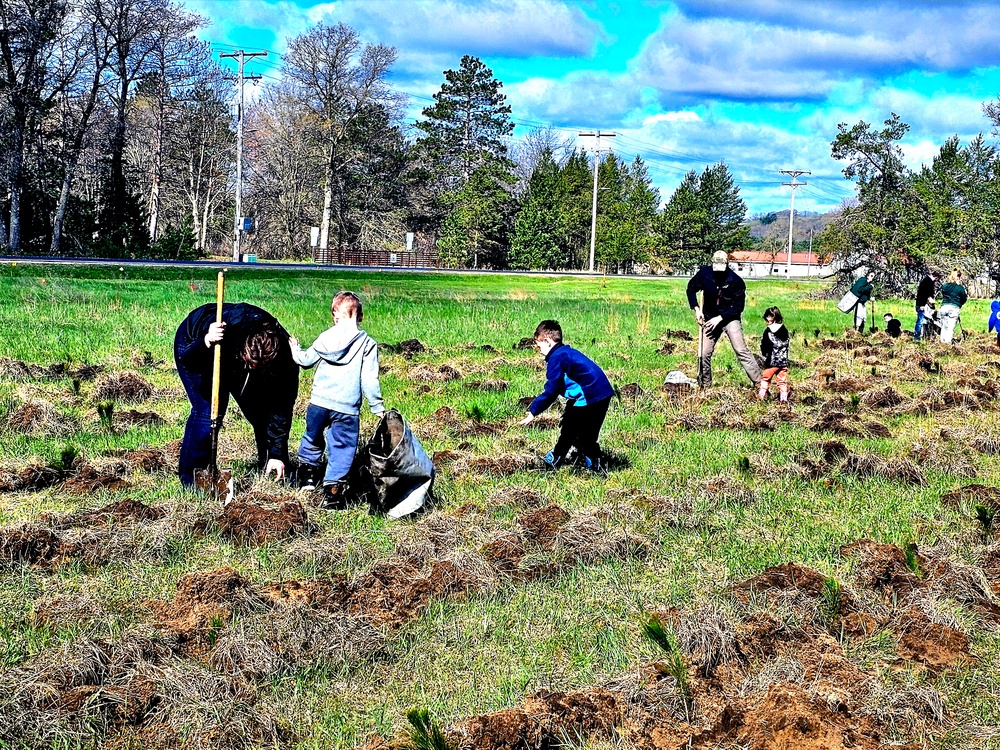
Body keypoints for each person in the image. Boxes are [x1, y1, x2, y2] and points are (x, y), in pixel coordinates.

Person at [174, 303, 298, 488]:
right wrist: (207, 340)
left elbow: (282, 405)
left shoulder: (285, 355)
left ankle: (270, 466)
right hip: (197, 344)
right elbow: (189, 361)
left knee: (262, 411)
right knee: (208, 413)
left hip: (241, 358)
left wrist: (277, 454)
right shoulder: (223, 331)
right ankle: (192, 478)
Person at [290, 291, 384, 505]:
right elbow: (369, 379)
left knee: (312, 437)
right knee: (342, 446)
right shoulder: (367, 344)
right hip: (347, 408)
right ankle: (333, 491)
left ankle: (307, 476)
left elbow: (305, 361)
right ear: (360, 316)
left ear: (335, 316)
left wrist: (295, 351)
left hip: (319, 403)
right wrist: (377, 406)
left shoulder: (325, 337)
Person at [518, 320, 614, 471]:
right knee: (578, 431)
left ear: (548, 341)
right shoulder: (565, 353)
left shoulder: (556, 357)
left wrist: (533, 411)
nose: (539, 351)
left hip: (590, 395)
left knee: (579, 434)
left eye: (539, 346)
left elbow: (552, 389)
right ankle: (568, 460)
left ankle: (590, 465)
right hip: (599, 393)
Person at [686, 250, 762, 389]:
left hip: (729, 318)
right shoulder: (704, 274)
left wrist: (720, 318)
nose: (719, 272)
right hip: (709, 318)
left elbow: (738, 307)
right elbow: (691, 289)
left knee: (741, 350)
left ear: (727, 263)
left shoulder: (736, 281)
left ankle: (760, 384)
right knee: (704, 353)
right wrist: (697, 309)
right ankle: (705, 386)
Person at [758, 306, 789, 403]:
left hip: (771, 362)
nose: (766, 319)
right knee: (782, 381)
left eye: (768, 316)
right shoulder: (784, 330)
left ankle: (760, 397)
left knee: (765, 379)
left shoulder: (768, 331)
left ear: (773, 317)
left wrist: (764, 354)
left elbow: (764, 346)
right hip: (783, 362)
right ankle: (783, 400)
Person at [938, 269, 968, 344]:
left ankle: (942, 342)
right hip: (954, 308)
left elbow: (943, 292)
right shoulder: (960, 288)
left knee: (944, 327)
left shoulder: (945, 286)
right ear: (958, 277)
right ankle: (947, 344)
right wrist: (959, 304)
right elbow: (964, 298)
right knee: (950, 328)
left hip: (944, 307)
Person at [915, 270, 939, 339]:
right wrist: (923, 304)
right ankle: (917, 336)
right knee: (921, 321)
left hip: (922, 304)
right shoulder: (928, 282)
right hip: (922, 305)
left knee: (924, 321)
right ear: (936, 277)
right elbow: (924, 294)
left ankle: (924, 336)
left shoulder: (926, 280)